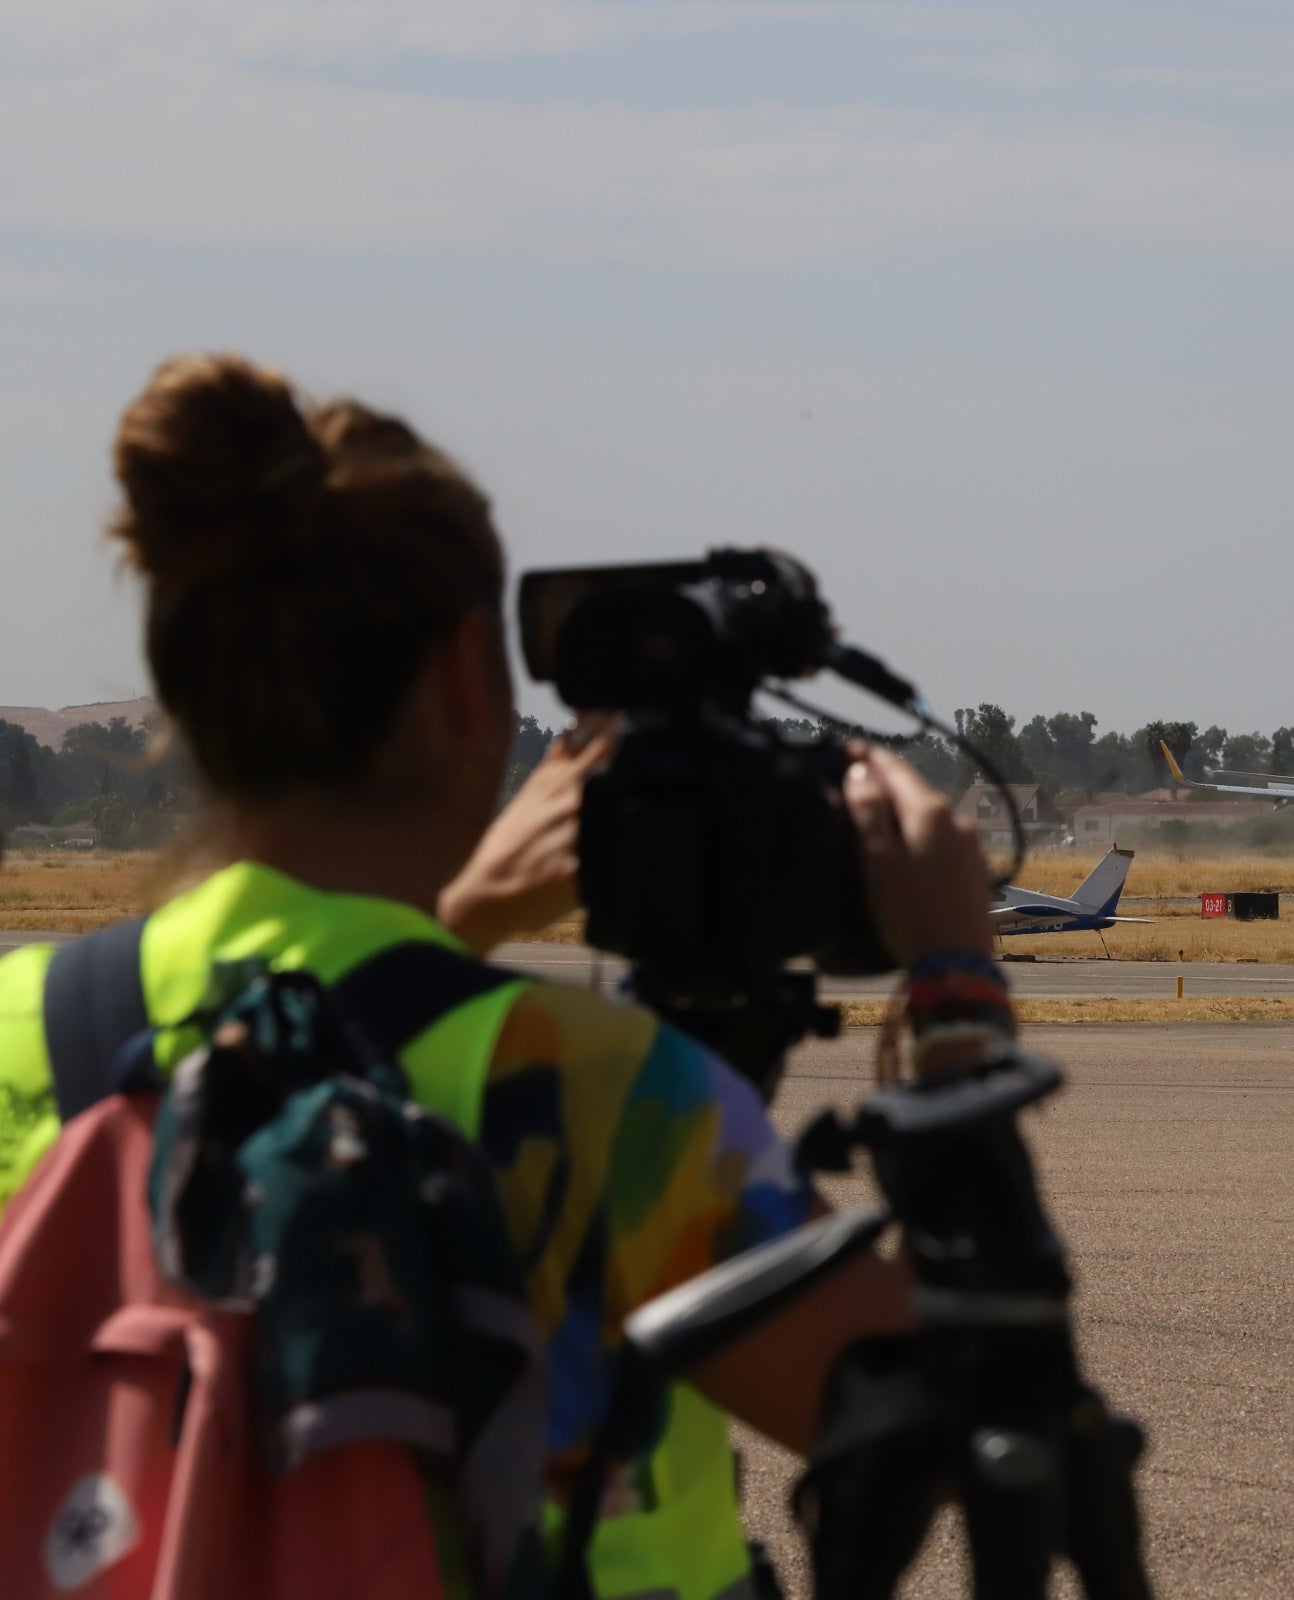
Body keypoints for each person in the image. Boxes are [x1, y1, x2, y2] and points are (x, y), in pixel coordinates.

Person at [0, 353, 1010, 1599]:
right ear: (468, 678)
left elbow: (292, 1036)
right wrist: (959, 999)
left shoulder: (27, 1032)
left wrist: (452, 922)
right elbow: (985, 1433)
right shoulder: (596, 1094)